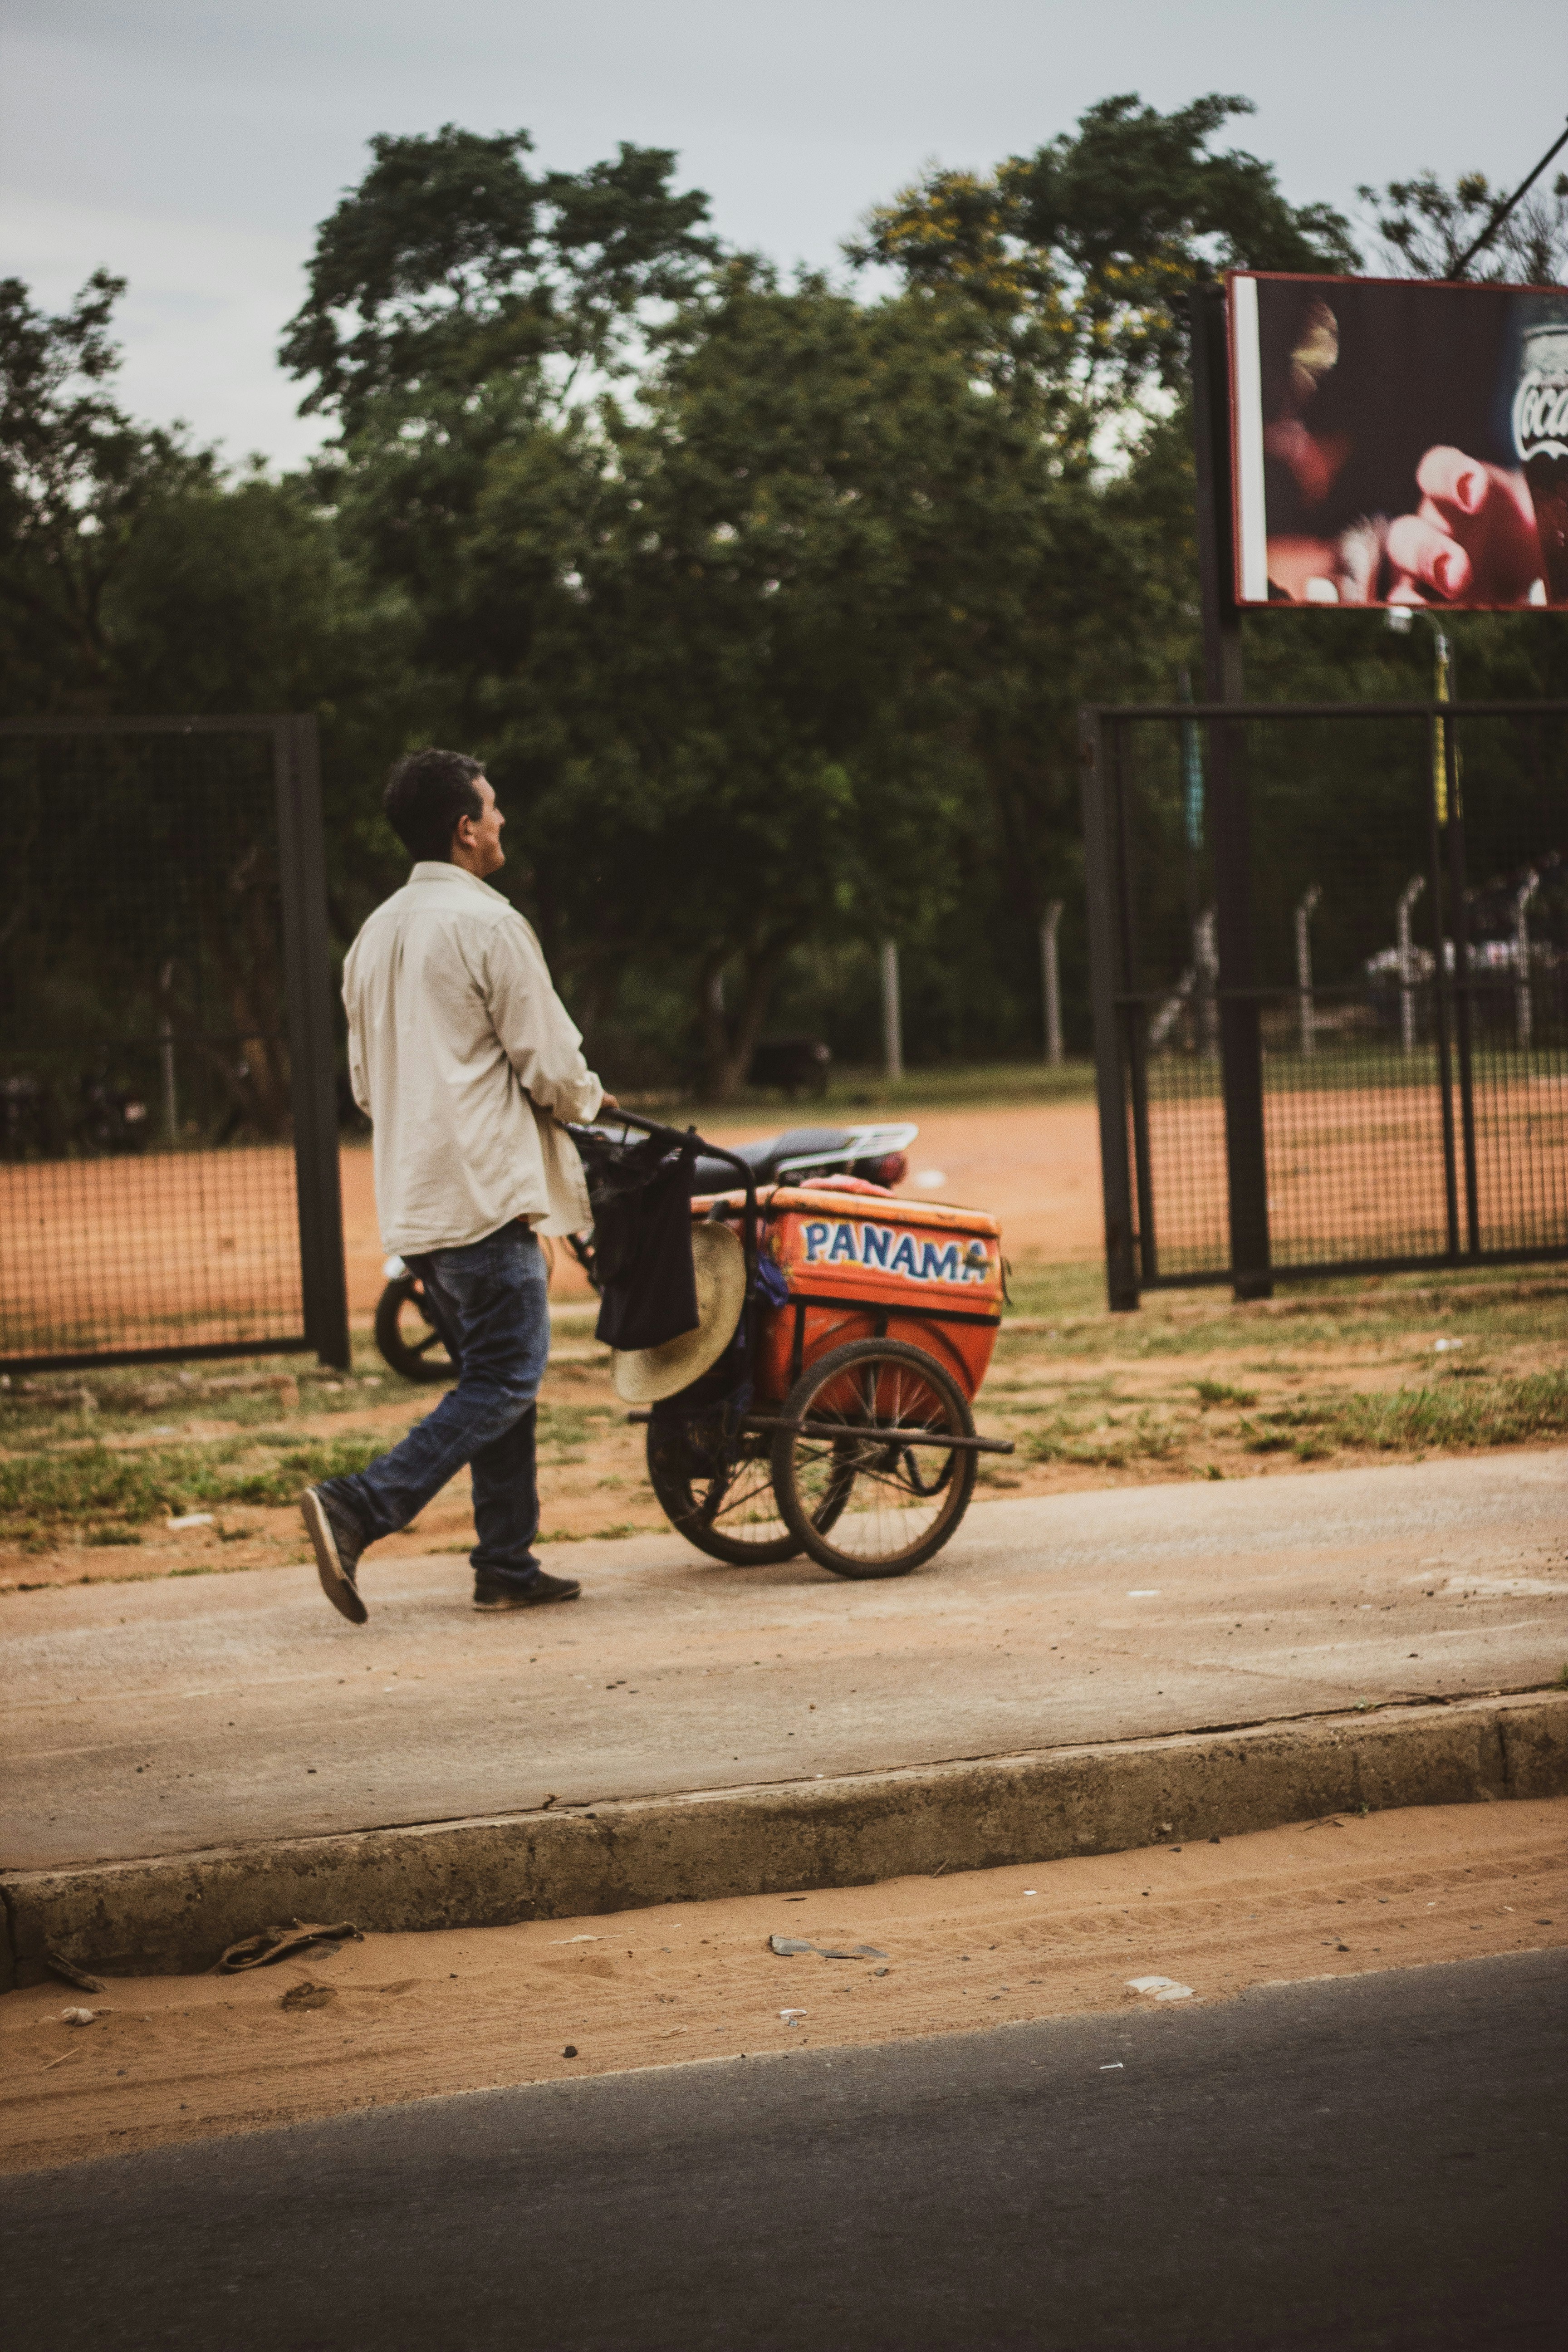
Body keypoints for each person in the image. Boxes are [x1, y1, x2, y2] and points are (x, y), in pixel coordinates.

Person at [299, 747, 615, 1623]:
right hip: (483, 1192)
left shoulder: (373, 937)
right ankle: (358, 1505)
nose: (504, 819)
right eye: (494, 808)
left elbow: (367, 1087)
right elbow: (547, 1061)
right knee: (508, 1379)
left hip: (417, 1203)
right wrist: (589, 1100)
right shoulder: (488, 924)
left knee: (492, 1375)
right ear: (464, 829)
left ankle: (506, 1562)